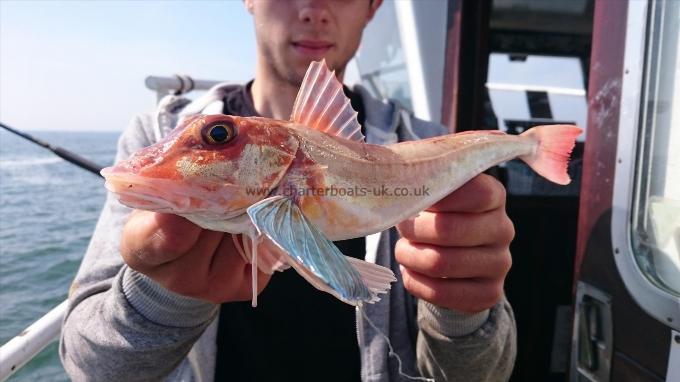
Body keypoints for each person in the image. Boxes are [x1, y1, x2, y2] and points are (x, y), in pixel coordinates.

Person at [60, 1, 516, 381]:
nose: (315, 10)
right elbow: (88, 368)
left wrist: (462, 312)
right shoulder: (158, 131)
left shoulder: (427, 145)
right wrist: (162, 296)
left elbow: (483, 376)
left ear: (374, 6)